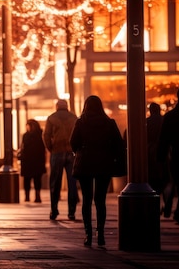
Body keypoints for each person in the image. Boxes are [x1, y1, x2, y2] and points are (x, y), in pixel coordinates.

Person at [70, 95, 125, 247]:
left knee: (86, 200)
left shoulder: (81, 122)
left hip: (85, 164)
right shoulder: (109, 123)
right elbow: (118, 144)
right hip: (103, 164)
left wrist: (80, 151)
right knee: (100, 200)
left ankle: (88, 234)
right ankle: (100, 233)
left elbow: (73, 143)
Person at [43, 99, 79, 220]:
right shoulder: (73, 118)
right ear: (67, 106)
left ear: (57, 106)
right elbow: (78, 134)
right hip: (71, 152)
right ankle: (71, 212)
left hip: (57, 152)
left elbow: (46, 135)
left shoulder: (51, 118)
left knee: (55, 182)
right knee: (72, 183)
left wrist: (51, 148)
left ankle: (54, 210)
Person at [159, 88, 179, 223]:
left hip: (176, 154)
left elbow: (164, 139)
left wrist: (160, 156)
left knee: (175, 182)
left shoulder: (170, 116)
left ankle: (173, 209)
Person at [19, 119, 46, 203]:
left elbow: (24, 147)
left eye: (28, 125)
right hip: (34, 161)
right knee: (34, 179)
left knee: (31, 179)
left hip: (31, 161)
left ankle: (32, 196)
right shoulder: (39, 135)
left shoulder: (29, 135)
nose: (27, 127)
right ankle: (33, 196)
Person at [146, 103, 165, 197]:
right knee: (164, 177)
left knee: (152, 177)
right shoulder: (164, 120)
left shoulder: (147, 122)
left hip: (149, 152)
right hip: (164, 150)